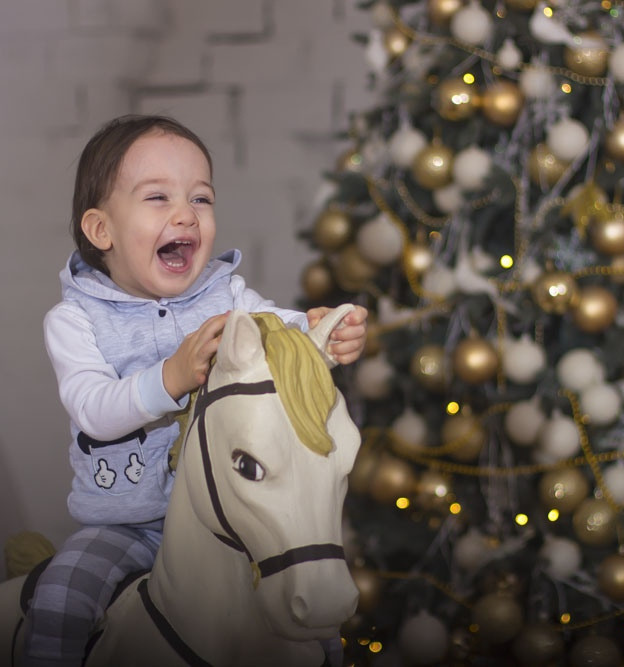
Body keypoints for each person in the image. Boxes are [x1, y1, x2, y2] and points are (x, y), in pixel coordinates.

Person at [25, 114, 368, 666]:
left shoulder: (225, 297)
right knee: (61, 596)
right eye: (157, 198)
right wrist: (170, 378)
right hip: (127, 523)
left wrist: (323, 332)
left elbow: (280, 331)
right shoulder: (76, 320)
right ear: (101, 230)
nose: (185, 213)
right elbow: (92, 410)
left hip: (227, 521)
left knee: (311, 623)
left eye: (201, 199)